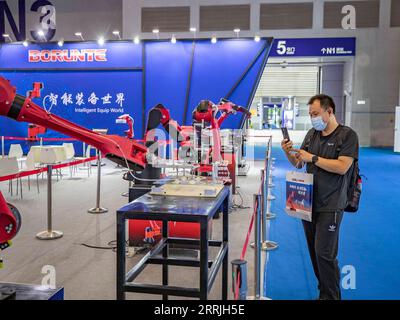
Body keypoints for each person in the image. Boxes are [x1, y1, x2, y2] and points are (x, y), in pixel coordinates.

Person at [281, 94, 359, 300]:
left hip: (331, 204)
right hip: (307, 202)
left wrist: (313, 157)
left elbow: (342, 167)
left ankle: (331, 296)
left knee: (325, 254)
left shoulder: (347, 136)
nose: (312, 118)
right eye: (310, 114)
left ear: (329, 111)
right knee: (315, 253)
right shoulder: (312, 134)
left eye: (315, 114)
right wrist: (289, 152)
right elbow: (299, 163)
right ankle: (323, 291)